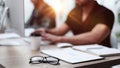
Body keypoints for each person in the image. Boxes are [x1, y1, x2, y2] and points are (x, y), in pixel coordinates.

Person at [32, 0, 114, 47]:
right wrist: (46, 31)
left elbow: (94, 37)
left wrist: (59, 39)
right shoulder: (75, 12)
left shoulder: (105, 13)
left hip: (100, 60)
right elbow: (60, 30)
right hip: (78, 54)